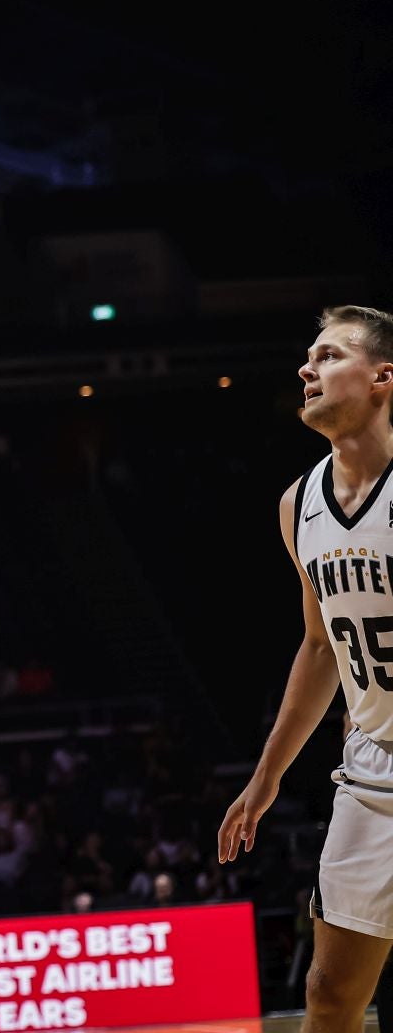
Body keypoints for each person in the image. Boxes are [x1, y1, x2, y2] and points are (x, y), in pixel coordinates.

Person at [219, 306, 393, 1031]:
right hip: (373, 767)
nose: (307, 368)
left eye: (328, 355)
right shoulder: (300, 503)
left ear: (383, 378)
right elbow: (320, 646)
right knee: (329, 993)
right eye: (308, 357)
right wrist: (266, 778)